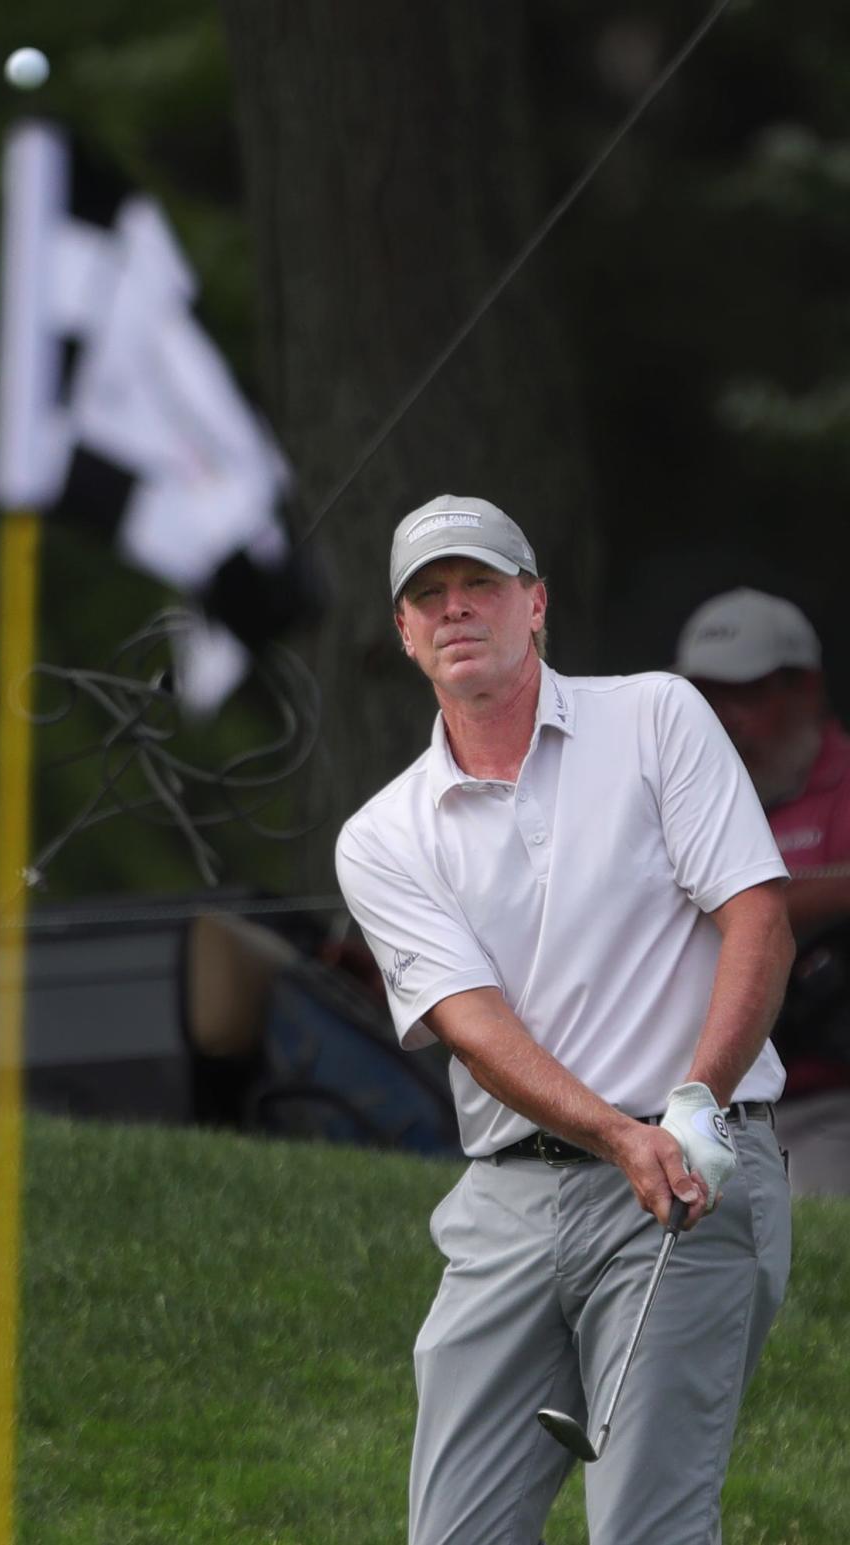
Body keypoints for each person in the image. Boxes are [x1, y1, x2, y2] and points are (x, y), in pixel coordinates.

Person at [335, 494, 794, 1545]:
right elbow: (472, 1022)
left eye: (480, 587)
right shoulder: (382, 835)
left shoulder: (657, 716)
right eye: (429, 597)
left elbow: (756, 916)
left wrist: (690, 1108)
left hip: (693, 1165)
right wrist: (614, 1134)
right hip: (511, 1203)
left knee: (647, 1527)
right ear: (405, 633)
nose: (457, 611)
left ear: (534, 604)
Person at [674, 586, 850, 1195]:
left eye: (743, 692)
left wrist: (747, 907)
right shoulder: (672, 793)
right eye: (704, 694)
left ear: (806, 689)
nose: (720, 715)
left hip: (823, 1102)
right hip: (684, 1099)